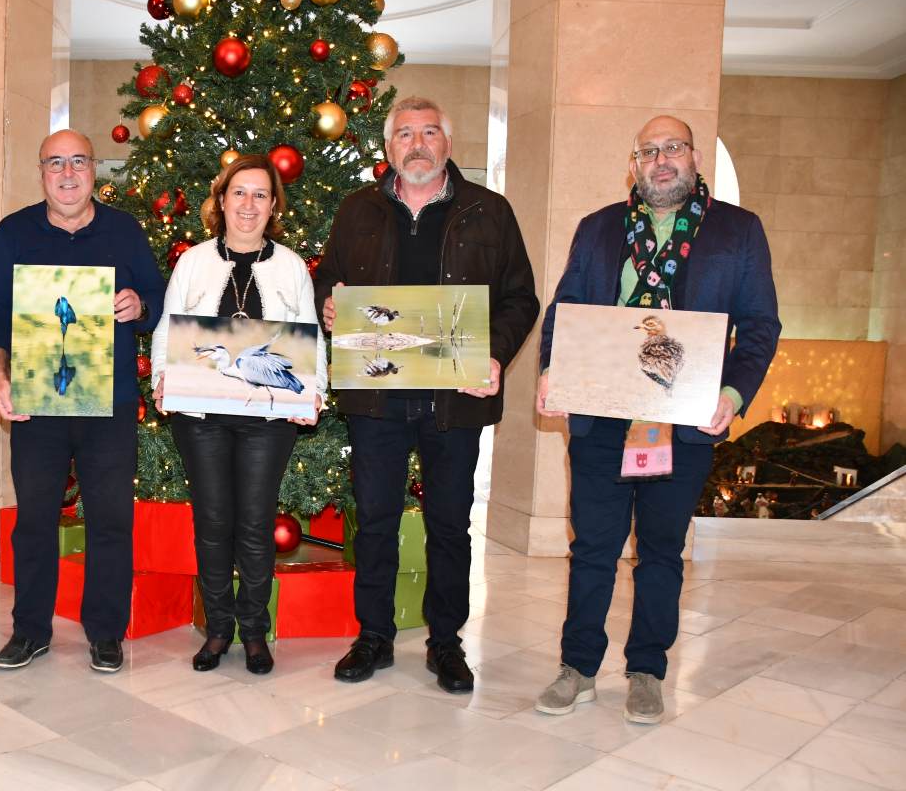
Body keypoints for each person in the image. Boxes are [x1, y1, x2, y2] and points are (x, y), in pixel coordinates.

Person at [534, 115, 779, 724]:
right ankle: (578, 667)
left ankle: (647, 670)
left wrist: (733, 392)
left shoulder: (738, 232)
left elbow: (760, 326)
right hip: (602, 416)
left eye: (673, 148)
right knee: (592, 547)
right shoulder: (598, 229)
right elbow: (563, 313)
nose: (661, 159)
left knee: (663, 551)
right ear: (634, 163)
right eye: (649, 150)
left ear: (694, 158)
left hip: (683, 419)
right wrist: (551, 372)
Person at [315, 97, 540, 692]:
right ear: (389, 147)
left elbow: (521, 298)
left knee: (448, 524)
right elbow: (326, 278)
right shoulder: (357, 209)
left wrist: (494, 354)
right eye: (405, 134)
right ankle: (374, 636)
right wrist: (328, 305)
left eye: (430, 132)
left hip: (454, 398)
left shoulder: (489, 211)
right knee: (376, 520)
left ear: (448, 142)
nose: (417, 144)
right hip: (376, 398)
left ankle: (446, 642)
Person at [0, 129, 165, 674]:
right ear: (41, 172)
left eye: (78, 161)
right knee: (34, 519)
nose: (67, 172)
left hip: (108, 406)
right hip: (37, 402)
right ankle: (30, 631)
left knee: (110, 520)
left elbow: (155, 295)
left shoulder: (124, 231)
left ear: (93, 171)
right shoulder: (13, 234)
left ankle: (105, 633)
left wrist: (139, 305)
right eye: (55, 162)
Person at [149, 154, 327, 674]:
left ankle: (254, 632)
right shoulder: (193, 261)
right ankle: (217, 630)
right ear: (221, 200)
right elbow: (167, 326)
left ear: (274, 205)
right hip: (200, 415)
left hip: (267, 419)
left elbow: (307, 337)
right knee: (212, 522)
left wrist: (313, 389)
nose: (248, 204)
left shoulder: (292, 267)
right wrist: (163, 375)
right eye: (239, 193)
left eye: (260, 195)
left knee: (253, 523)